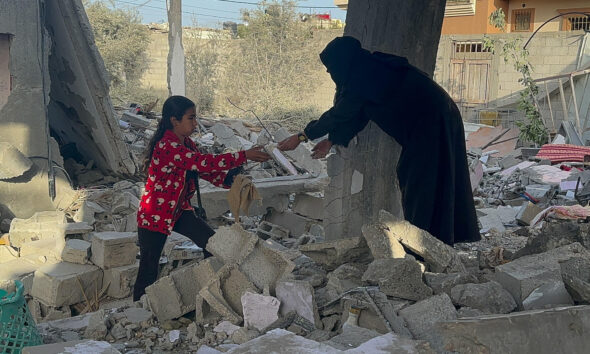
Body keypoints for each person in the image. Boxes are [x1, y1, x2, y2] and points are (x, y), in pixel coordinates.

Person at [278, 36, 480, 246]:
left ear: (342, 62)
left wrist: (302, 136)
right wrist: (332, 140)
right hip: (436, 117)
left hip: (432, 121)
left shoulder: (364, 75)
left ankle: (425, 245)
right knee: (426, 179)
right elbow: (358, 113)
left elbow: (340, 112)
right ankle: (434, 242)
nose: (329, 73)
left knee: (421, 182)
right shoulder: (367, 70)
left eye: (330, 68)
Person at [133, 95, 270, 301]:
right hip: (156, 214)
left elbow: (206, 172)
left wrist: (233, 182)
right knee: (148, 266)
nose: (196, 123)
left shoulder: (187, 143)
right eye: (191, 118)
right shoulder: (166, 146)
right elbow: (202, 163)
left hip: (179, 211)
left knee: (212, 245)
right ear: (174, 120)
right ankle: (140, 309)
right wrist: (243, 156)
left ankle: (212, 291)